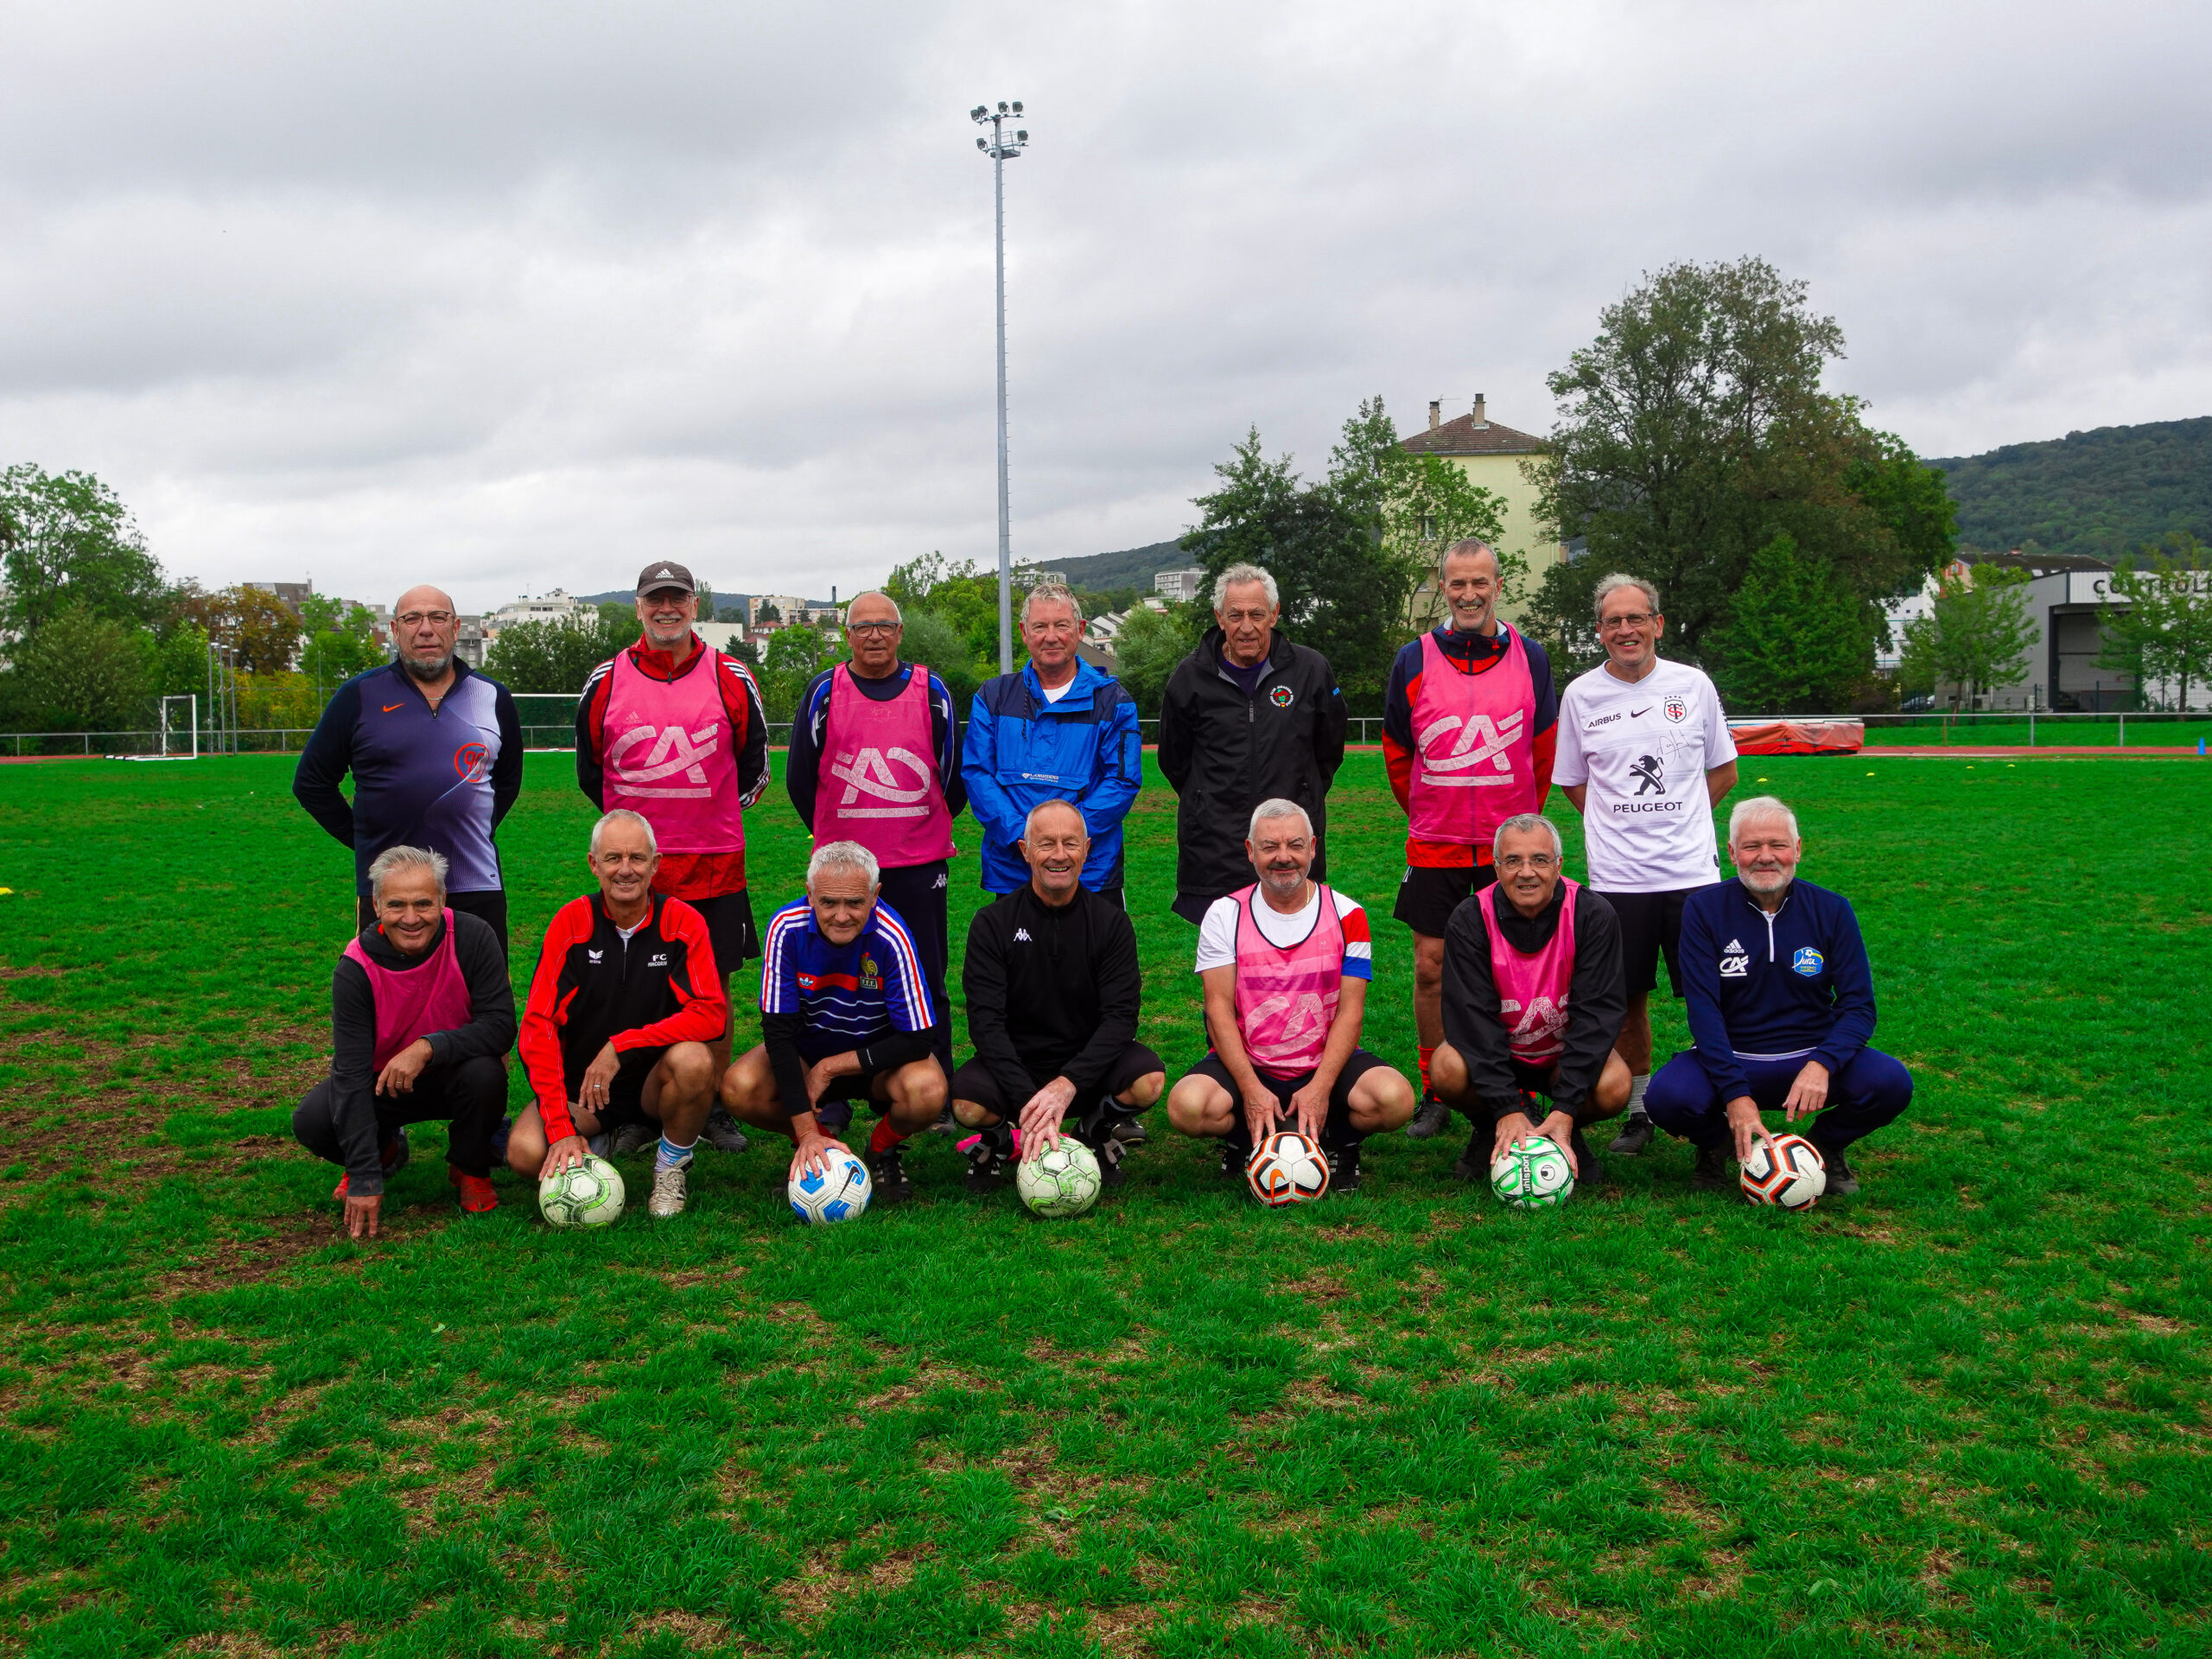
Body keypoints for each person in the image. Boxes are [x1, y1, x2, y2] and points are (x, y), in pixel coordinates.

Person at [576, 560, 768, 1156]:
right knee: (628, 983)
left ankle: (707, 1102)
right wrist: (635, 832)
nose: (667, 609)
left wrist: (700, 814)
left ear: (693, 606)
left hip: (712, 863)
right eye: (655, 599)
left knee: (713, 987)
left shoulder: (731, 675)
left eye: (677, 599)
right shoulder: (606, 679)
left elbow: (755, 767)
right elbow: (591, 771)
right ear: (639, 607)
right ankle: (630, 1106)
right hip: (633, 868)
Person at [1551, 573, 1738, 1158]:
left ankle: (1727, 1107)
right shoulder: (1582, 695)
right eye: (1614, 621)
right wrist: (1620, 825)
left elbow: (1724, 772)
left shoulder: (1694, 685)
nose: (1626, 630)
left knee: (1716, 997)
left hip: (1692, 878)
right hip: (1618, 883)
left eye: (1637, 619)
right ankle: (1640, 1114)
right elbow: (1575, 784)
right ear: (1600, 632)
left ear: (1658, 624)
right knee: (1627, 1002)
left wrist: (1679, 819)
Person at [1643, 798, 1912, 1195]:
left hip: (1810, 1061)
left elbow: (1859, 1006)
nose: (1765, 857)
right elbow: (1704, 1011)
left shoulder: (1833, 909)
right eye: (1752, 847)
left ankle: (1823, 1147)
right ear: (1733, 852)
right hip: (1734, 1059)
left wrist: (1823, 1062)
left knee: (1891, 1083)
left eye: (1778, 845)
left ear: (1798, 849)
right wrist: (1735, 1094)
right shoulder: (1702, 910)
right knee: (1665, 1098)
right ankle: (1721, 1146)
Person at [1384, 540, 1559, 1140]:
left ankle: (1518, 1088)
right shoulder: (1413, 658)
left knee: (1518, 971)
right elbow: (1399, 757)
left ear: (1498, 585)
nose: (1468, 594)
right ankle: (1436, 1086)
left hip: (1510, 852)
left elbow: (1543, 754)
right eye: (1456, 583)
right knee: (1431, 967)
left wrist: (1516, 832)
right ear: (1441, 585)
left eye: (1479, 582)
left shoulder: (1532, 658)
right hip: (1436, 842)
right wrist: (1439, 812)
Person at [1164, 799, 1415, 1192]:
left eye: (1295, 845)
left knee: (1395, 1098)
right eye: (1270, 847)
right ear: (1250, 852)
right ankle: (1244, 1143)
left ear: (1313, 848)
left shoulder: (1349, 913)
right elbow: (1218, 1010)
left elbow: (1351, 1013)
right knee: (1187, 1107)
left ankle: (1336, 1144)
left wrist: (1321, 1087)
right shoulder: (1224, 914)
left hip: (1322, 1062)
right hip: (1250, 1062)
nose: (1284, 857)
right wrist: (1250, 1089)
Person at [506, 811, 727, 1217]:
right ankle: (598, 1138)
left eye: (637, 858)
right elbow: (538, 1028)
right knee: (524, 1152)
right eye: (612, 858)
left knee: (695, 1060)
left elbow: (712, 1014)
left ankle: (670, 1167)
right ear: (593, 864)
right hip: (586, 1093)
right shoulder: (571, 922)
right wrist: (559, 1127)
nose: (625, 870)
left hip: (654, 1086)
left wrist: (621, 1045)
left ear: (656, 864)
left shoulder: (682, 922)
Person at [292, 845, 517, 1236]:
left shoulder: (473, 936)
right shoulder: (355, 967)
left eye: (423, 904)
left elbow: (500, 1026)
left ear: (443, 900)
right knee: (312, 1120)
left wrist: (427, 1047)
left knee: (487, 1072)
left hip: (455, 1076)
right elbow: (350, 1073)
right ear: (377, 906)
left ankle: (470, 1165)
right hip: (383, 1086)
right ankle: (383, 1152)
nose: (411, 918)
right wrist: (363, 1173)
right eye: (396, 905)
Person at [294, 584, 524, 957]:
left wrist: (475, 825)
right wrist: (365, 840)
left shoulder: (492, 697)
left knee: (482, 999)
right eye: (412, 618)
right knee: (390, 1002)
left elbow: (508, 780)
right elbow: (311, 783)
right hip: (391, 890)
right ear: (396, 631)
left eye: (438, 617)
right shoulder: (360, 695)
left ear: (456, 626)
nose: (426, 628)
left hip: (475, 882)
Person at [786, 590, 965, 1065]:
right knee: (836, 977)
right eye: (863, 627)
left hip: (918, 864)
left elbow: (953, 778)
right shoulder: (824, 691)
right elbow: (801, 779)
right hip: (843, 873)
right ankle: (836, 1090)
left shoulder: (932, 691)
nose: (875, 635)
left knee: (927, 974)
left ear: (900, 632)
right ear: (847, 636)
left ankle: (935, 1086)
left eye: (885, 625)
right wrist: (837, 844)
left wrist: (917, 827)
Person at [952, 799, 1164, 1192]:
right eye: (1046, 843)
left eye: (1070, 843)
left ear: (1087, 850)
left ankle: (1093, 1130)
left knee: (1148, 1079)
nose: (1059, 855)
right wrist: (1030, 1100)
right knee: (966, 1104)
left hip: (1088, 1066)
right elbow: (985, 1023)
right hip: (1017, 1064)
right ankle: (999, 1141)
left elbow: (1120, 1019)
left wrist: (1067, 1084)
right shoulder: (992, 923)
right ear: (1025, 850)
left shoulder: (1112, 924)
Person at [719, 841, 948, 1205]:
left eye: (855, 903)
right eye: (828, 902)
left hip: (879, 1062)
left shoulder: (893, 935)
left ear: (875, 895)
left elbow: (919, 1039)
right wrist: (807, 1128)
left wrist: (830, 1068)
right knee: (739, 1088)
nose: (841, 915)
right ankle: (818, 1145)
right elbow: (778, 1036)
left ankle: (880, 1150)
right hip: (806, 1055)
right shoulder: (786, 928)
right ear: (810, 895)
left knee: (928, 1091)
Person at [1429, 813, 1630, 1190]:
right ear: (1496, 866)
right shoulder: (1470, 918)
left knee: (1616, 1083)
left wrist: (1567, 1106)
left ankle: (1562, 1128)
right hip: (1498, 1053)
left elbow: (1597, 1017)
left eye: (1539, 860)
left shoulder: (1592, 914)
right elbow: (1471, 1020)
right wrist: (1506, 1106)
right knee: (1447, 1067)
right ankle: (1492, 1126)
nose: (1526, 872)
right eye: (1513, 861)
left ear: (1558, 864)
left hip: (1562, 1055)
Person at [1158, 565, 1348, 925]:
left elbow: (1329, 750)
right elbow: (1174, 760)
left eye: (1257, 614)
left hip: (1287, 846)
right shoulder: (1189, 678)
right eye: (1235, 615)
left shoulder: (1311, 670)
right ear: (1219, 617)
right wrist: (1206, 802)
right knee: (1223, 968)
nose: (1246, 627)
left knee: (1292, 966)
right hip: (1214, 850)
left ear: (1274, 615)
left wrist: (1304, 795)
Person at [963, 582, 1141, 902]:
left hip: (1091, 874)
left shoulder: (1114, 701)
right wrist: (1026, 839)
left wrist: (1066, 842)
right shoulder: (992, 697)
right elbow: (977, 775)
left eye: (1061, 625)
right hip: (1013, 871)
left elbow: (1122, 781)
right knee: (1016, 953)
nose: (1051, 636)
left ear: (1080, 629)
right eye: (1040, 626)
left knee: (1095, 953)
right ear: (1023, 632)